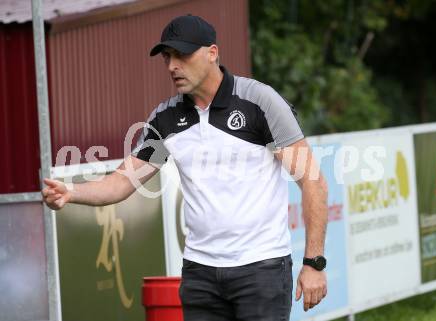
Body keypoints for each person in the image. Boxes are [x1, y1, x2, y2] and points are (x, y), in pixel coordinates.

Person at [42, 14, 328, 321]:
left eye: (182, 55)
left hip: (262, 269)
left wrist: (313, 262)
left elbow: (312, 182)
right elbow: (122, 182)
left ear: (212, 53)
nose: (172, 66)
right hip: (199, 274)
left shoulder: (260, 101)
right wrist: (71, 193)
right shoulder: (165, 118)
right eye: (167, 57)